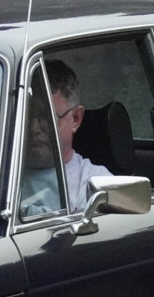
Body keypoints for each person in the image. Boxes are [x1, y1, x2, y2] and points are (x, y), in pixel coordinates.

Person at [45, 58, 111, 211]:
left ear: (75, 119)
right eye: (26, 116)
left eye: (47, 117)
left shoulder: (96, 186)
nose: (33, 127)